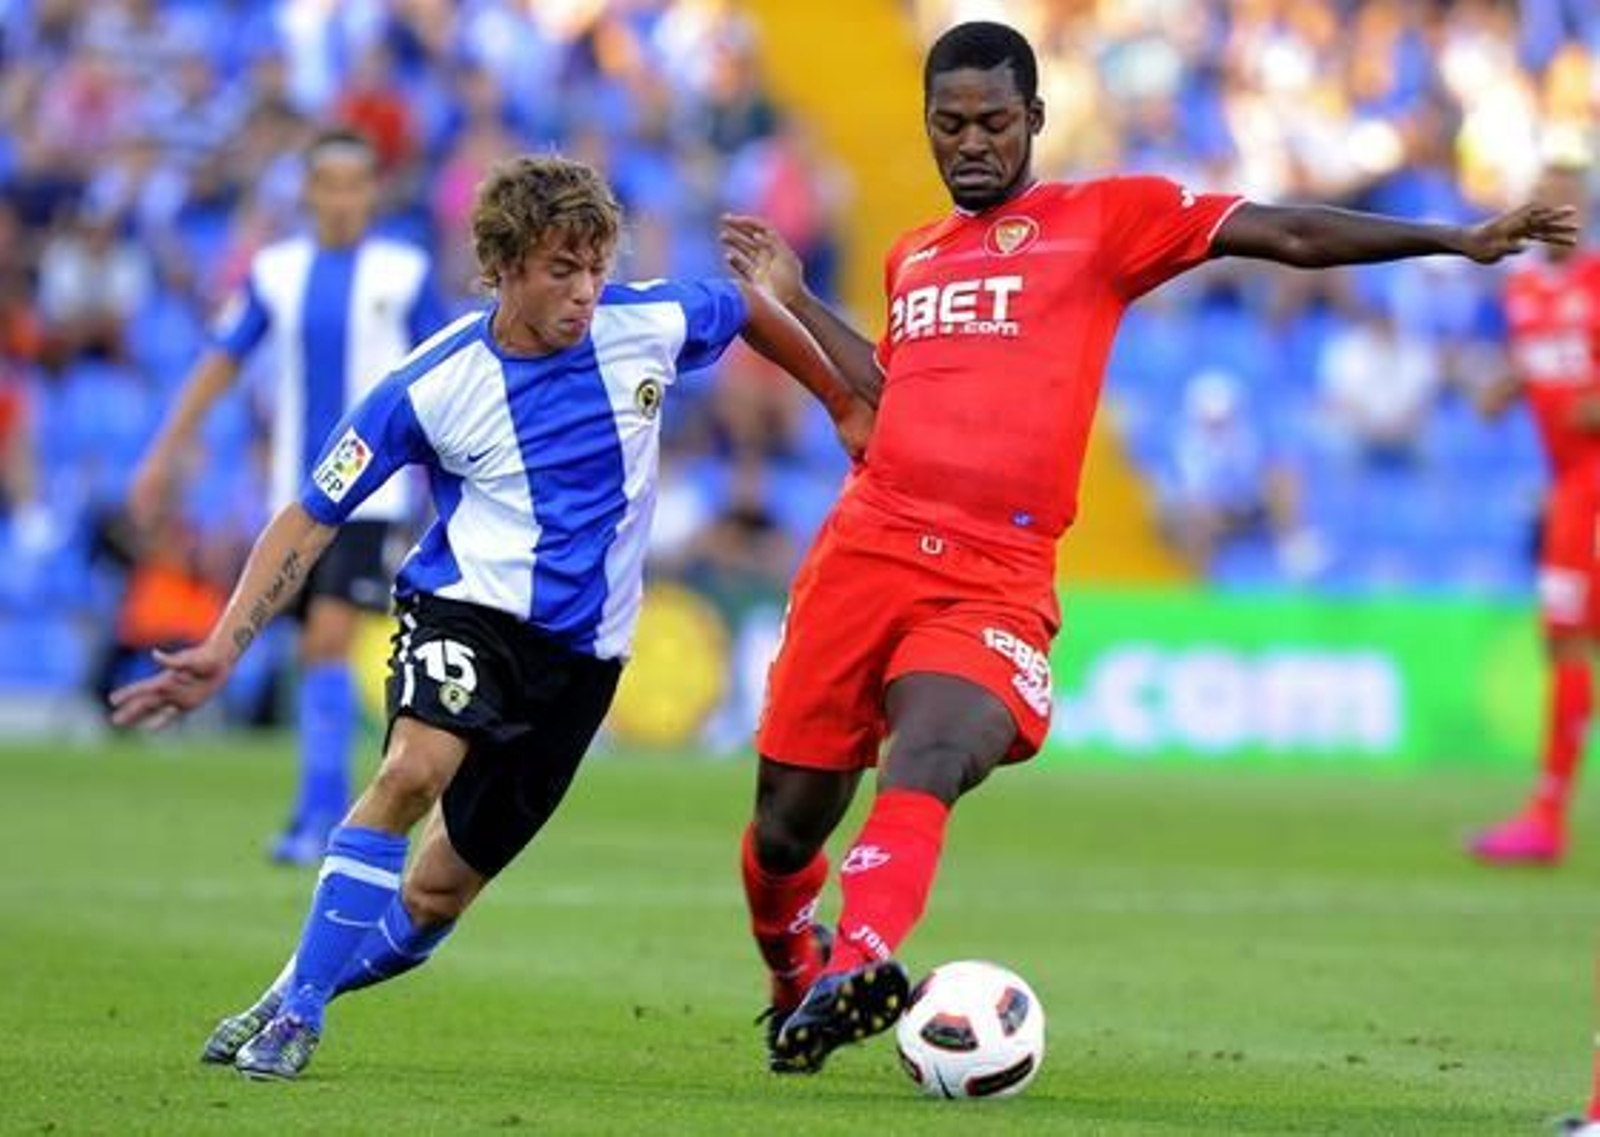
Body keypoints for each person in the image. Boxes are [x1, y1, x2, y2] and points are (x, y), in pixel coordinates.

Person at [718, 19, 1577, 1075]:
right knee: (784, 826)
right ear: (927, 128)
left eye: (993, 121)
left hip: (994, 570)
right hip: (868, 547)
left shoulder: (1107, 218)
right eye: (949, 125)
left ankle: (863, 957)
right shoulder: (914, 256)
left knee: (933, 753)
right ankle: (791, 967)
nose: (971, 142)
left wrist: (1453, 238)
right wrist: (798, 299)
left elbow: (1285, 235)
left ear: (1034, 119)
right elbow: (887, 398)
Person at [109, 154, 871, 1081]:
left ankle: (291, 987)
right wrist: (227, 645)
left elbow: (746, 306)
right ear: (503, 265)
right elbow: (314, 509)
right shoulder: (429, 383)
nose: (586, 291)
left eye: (596, 266)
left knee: (435, 895)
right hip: (465, 610)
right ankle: (301, 1014)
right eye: (561, 269)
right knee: (412, 769)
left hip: (586, 659)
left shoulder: (649, 321)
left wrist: (836, 398)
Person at [128, 128, 450, 865]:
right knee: (314, 653)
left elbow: (447, 368)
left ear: (373, 192)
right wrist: (163, 452)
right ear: (308, 193)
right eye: (328, 183)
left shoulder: (404, 272)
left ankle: (318, 816)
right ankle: (325, 808)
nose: (341, 197)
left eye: (355, 183)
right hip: (296, 501)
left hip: (376, 498)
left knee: (326, 640)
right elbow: (221, 361)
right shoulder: (276, 272)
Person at [1467, 157, 1599, 866]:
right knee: (1567, 640)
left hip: (1595, 483)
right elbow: (1545, 365)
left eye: (1569, 197)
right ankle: (1546, 811)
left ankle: (1548, 814)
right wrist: (1508, 387)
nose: (1559, 210)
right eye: (1546, 197)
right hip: (1571, 488)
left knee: (1573, 639)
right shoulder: (1523, 293)